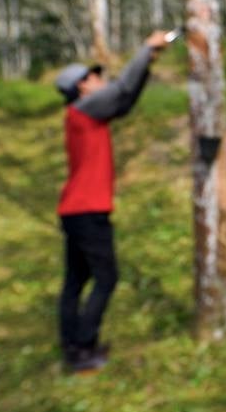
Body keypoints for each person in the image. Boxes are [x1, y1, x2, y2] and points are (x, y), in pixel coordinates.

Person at [53, 31, 169, 372]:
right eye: (92, 77)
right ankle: (83, 348)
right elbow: (120, 91)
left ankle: (71, 344)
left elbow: (126, 100)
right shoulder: (84, 109)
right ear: (81, 88)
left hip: (75, 211)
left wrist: (148, 61)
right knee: (106, 278)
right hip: (87, 211)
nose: (99, 79)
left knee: (76, 280)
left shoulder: (87, 112)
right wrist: (146, 48)